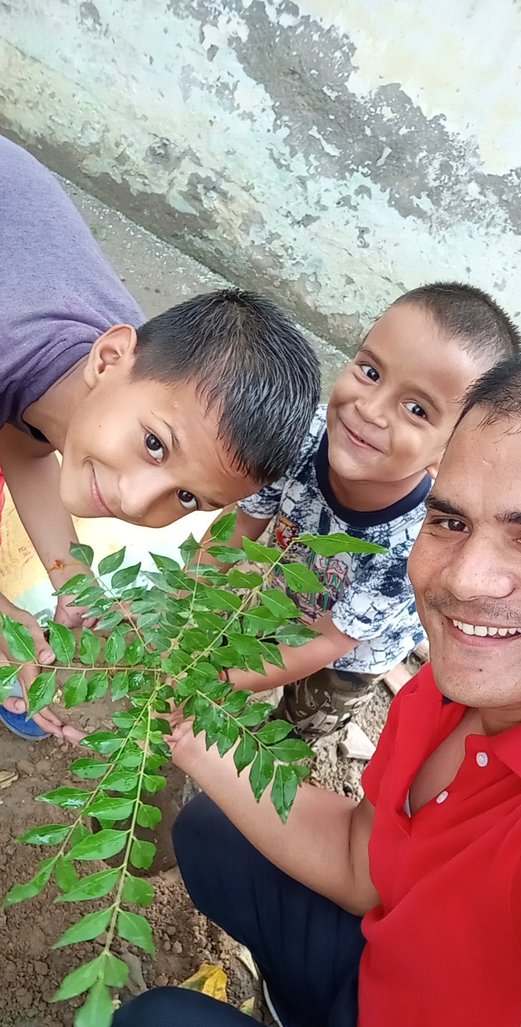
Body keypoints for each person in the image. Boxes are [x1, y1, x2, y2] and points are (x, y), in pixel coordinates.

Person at [23, 347, 521, 1027]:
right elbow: (362, 861)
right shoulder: (454, 690)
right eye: (451, 521)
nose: (463, 580)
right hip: (402, 1014)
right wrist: (185, 723)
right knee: (212, 827)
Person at [0, 136, 320, 741]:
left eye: (188, 499)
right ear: (111, 354)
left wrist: (72, 576)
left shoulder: (124, 373)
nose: (135, 501)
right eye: (155, 446)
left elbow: (29, 431)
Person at [201, 283, 520, 737]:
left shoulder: (417, 541)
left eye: (416, 409)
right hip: (289, 600)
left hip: (351, 653)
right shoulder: (305, 436)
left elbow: (331, 639)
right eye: (370, 371)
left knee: (306, 715)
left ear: (449, 452)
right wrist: (188, 604)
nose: (370, 410)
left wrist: (216, 684)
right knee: (259, 644)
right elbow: (240, 522)